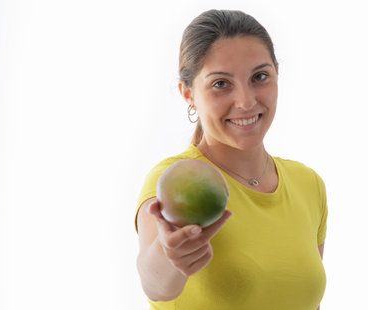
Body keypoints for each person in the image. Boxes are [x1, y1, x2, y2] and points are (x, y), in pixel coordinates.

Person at [134, 9, 328, 310]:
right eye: (221, 84)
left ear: (277, 73)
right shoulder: (177, 180)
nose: (246, 101)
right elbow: (156, 283)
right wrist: (169, 254)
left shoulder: (308, 184)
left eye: (260, 77)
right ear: (188, 93)